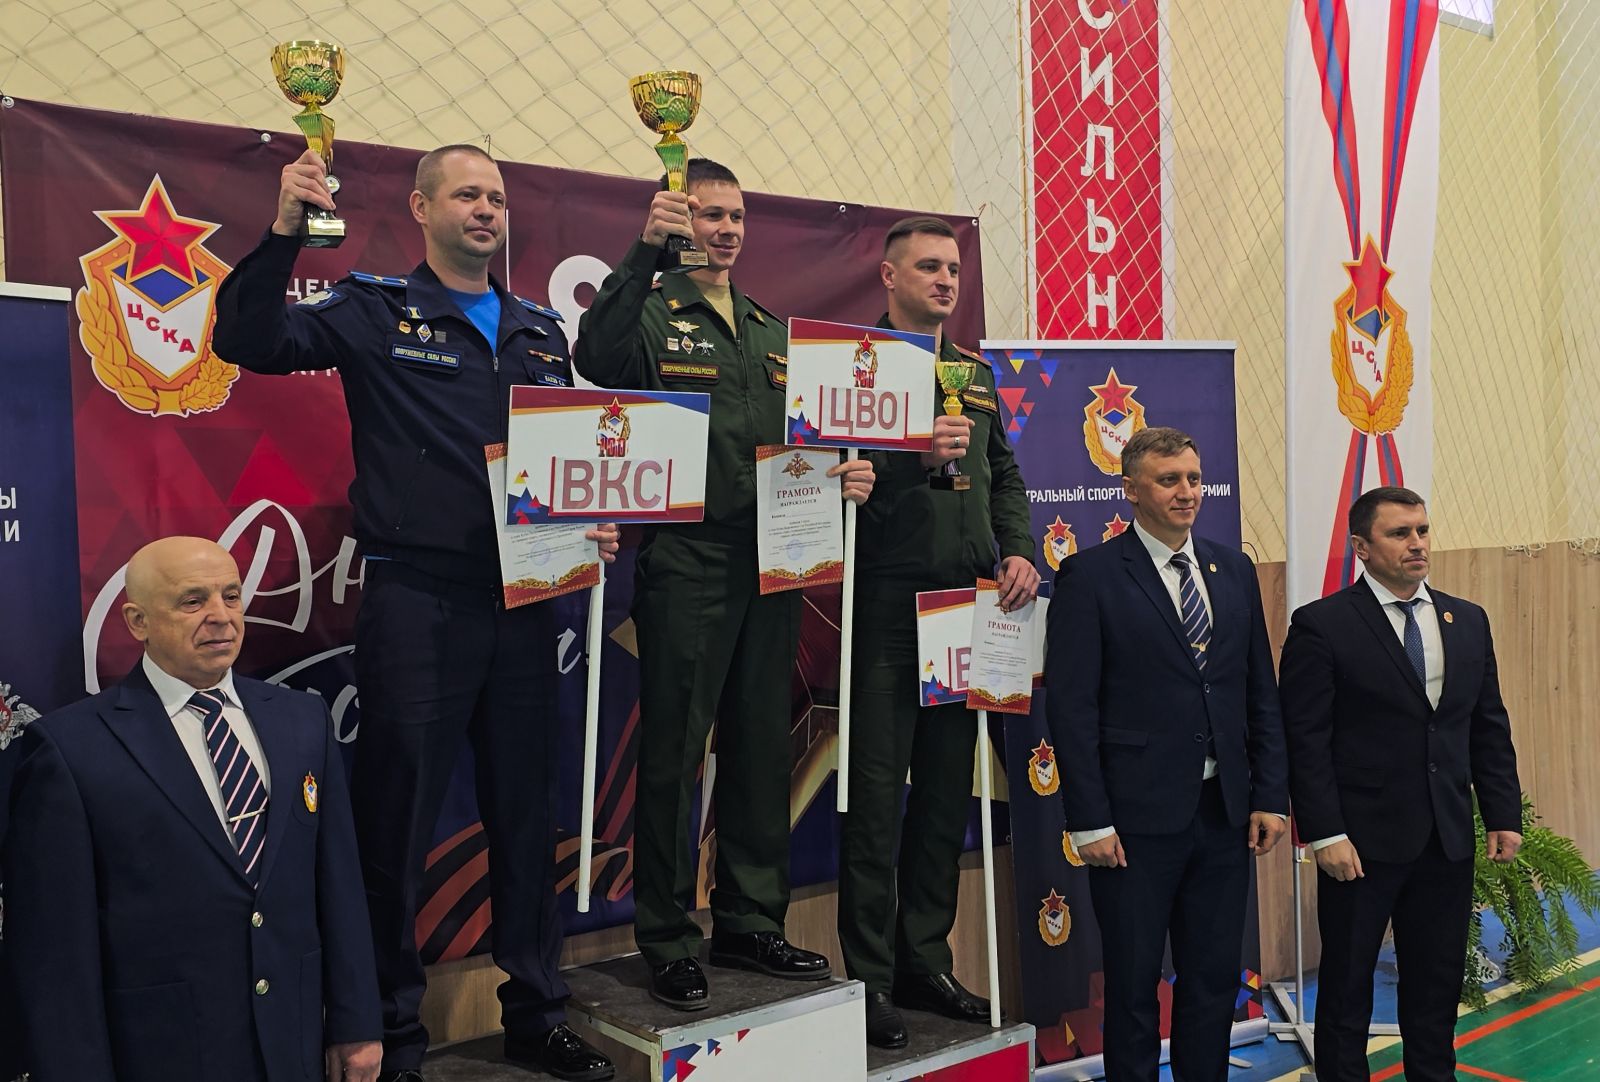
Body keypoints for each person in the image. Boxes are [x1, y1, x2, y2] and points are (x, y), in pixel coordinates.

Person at [212, 145, 618, 1082]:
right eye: (467, 194)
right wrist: (283, 233)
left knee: (528, 819)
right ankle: (388, 1033)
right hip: (418, 603)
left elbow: (563, 463)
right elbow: (248, 340)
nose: (486, 209)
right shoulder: (373, 309)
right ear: (421, 208)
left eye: (497, 198)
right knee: (394, 828)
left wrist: (589, 518)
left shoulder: (539, 330)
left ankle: (536, 1014)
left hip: (529, 603)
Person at [575, 159, 874, 1011]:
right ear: (680, 221)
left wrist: (845, 472)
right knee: (675, 754)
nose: (727, 229)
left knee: (760, 744)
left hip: (779, 554)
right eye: (710, 215)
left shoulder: (771, 331)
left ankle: (749, 919)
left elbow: (809, 438)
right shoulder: (650, 311)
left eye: (737, 216)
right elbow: (596, 357)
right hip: (690, 556)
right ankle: (668, 935)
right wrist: (643, 252)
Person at [3, 536, 381, 1082]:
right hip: (162, 1053)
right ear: (137, 621)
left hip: (293, 1048)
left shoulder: (302, 720)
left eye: (232, 596)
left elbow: (339, 885)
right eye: (192, 601)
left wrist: (357, 1023)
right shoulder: (70, 750)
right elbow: (56, 954)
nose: (221, 617)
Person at [838, 216, 1038, 1049]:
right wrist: (907, 463)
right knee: (875, 800)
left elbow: (1003, 477)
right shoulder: (853, 370)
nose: (946, 280)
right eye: (928, 266)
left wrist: (1019, 551)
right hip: (886, 601)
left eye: (953, 267)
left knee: (946, 795)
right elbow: (824, 485)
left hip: (968, 606)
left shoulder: (974, 375)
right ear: (889, 276)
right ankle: (870, 978)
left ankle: (925, 959)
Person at [1044, 425, 1288, 1081]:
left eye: (1193, 478)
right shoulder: (1090, 576)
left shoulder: (1232, 569)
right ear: (1130, 490)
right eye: (1169, 480)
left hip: (1223, 815)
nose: (1186, 492)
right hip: (1133, 824)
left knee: (1212, 982)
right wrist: (1090, 820)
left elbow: (1258, 692)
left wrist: (1270, 794)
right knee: (1132, 990)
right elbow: (1072, 708)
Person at [1279, 486, 1521, 1082]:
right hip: (1359, 843)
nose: (1417, 544)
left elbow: (1486, 724)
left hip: (1445, 836)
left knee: (1436, 985)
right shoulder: (1323, 625)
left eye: (1422, 531)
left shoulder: (1466, 619)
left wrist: (1502, 813)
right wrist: (1325, 833)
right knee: (1347, 987)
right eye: (1399, 533)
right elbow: (1305, 740)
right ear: (1362, 547)